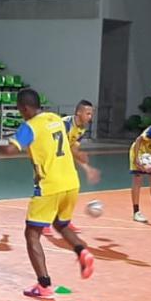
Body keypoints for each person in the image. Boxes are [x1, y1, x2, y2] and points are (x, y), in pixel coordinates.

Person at [0, 89, 95, 298]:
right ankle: (81, 251)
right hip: (71, 182)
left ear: (25, 108)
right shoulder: (55, 119)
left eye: (20, 109)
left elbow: (10, 150)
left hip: (49, 185)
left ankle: (44, 285)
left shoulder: (30, 126)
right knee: (61, 224)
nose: (21, 112)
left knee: (32, 234)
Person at [42, 100, 102, 236]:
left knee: (73, 188)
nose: (90, 117)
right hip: (50, 158)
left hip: (63, 158)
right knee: (54, 191)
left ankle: (65, 220)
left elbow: (72, 150)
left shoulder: (81, 129)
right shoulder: (64, 125)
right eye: (87, 113)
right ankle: (45, 223)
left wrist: (87, 169)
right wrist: (79, 156)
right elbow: (56, 147)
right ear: (78, 112)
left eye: (91, 114)